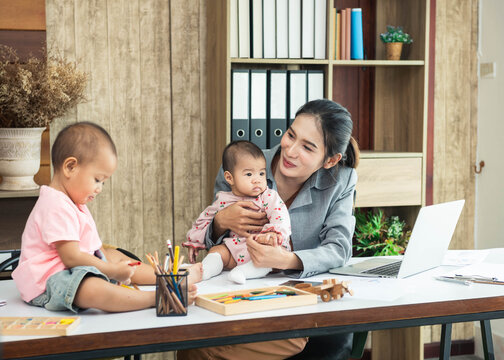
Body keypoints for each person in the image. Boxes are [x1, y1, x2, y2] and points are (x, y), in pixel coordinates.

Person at [178, 99, 360, 360]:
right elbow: (215, 244)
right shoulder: (243, 164)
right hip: (237, 292)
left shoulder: (340, 180)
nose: (290, 150)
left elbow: (339, 248)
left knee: (206, 350)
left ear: (330, 160)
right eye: (291, 135)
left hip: (292, 298)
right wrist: (221, 221)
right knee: (193, 342)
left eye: (307, 147)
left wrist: (288, 259)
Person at [12, 122, 200, 313]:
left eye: (102, 182)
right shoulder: (54, 204)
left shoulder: (75, 202)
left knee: (115, 255)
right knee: (91, 288)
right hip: (48, 280)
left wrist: (112, 263)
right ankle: (157, 297)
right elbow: (71, 257)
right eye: (97, 179)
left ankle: (169, 277)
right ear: (70, 167)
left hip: (72, 268)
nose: (99, 188)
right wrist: (111, 271)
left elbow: (94, 246)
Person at [183, 140, 291, 284]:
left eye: (261, 173)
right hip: (234, 247)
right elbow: (204, 219)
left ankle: (244, 272)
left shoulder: (268, 196)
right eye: (248, 174)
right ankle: (205, 271)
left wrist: (274, 233)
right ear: (229, 178)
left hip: (261, 247)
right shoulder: (223, 199)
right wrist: (194, 241)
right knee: (217, 251)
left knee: (271, 259)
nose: (257, 180)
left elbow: (280, 215)